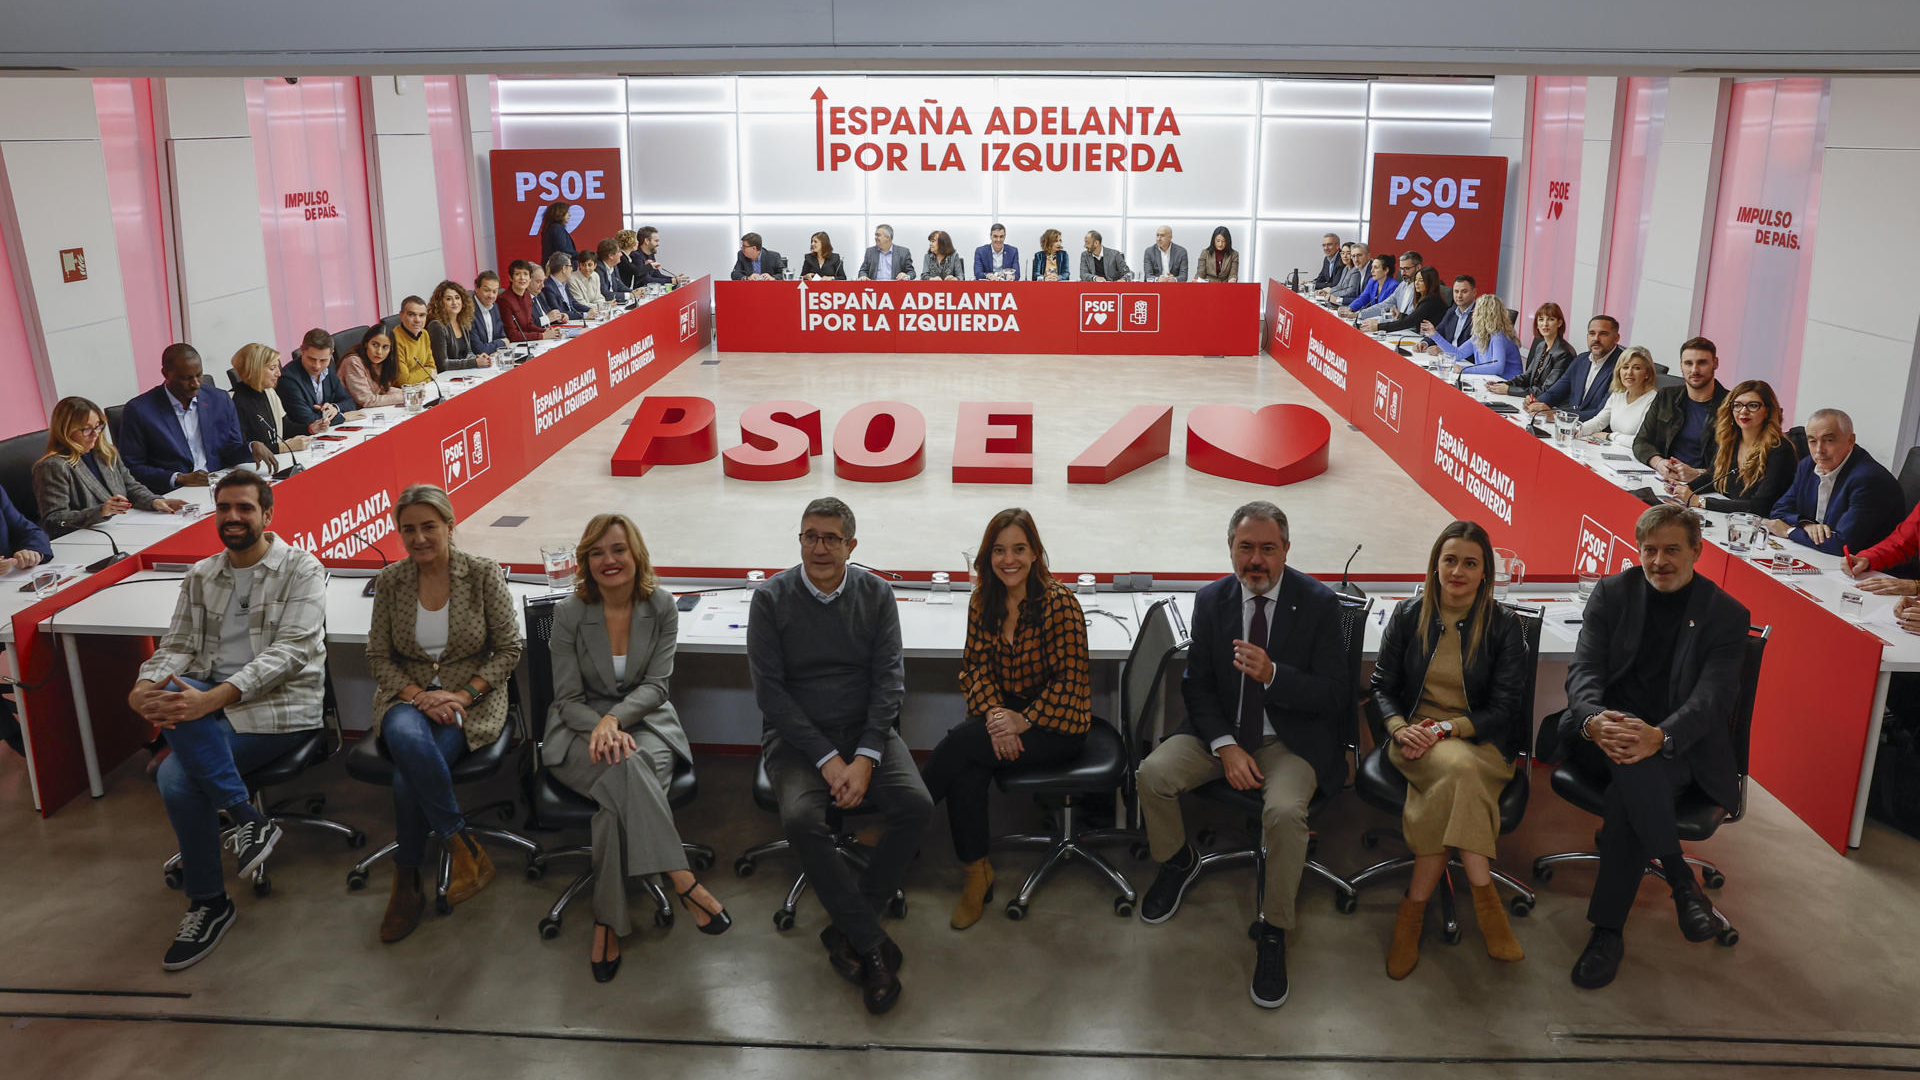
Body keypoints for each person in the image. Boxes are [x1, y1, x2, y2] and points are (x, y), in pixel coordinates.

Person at [1136, 501, 1350, 1010]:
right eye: (1245, 547)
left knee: (1281, 813)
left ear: (1286, 551)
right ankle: (1178, 862)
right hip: (1223, 734)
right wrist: (1225, 746)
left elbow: (1334, 695)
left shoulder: (1319, 603)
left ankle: (1273, 930)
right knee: (1152, 775)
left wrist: (1274, 675)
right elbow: (1197, 685)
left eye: (1267, 549)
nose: (1256, 560)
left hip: (1290, 741)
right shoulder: (1212, 599)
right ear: (1230, 549)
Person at [129, 470, 327, 970]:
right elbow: (174, 648)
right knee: (178, 705)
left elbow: (293, 652)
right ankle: (245, 827)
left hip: (281, 708)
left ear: (267, 515)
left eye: (244, 508)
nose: (233, 518)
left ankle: (211, 899)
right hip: (210, 708)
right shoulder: (201, 575)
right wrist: (143, 688)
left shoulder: (300, 569)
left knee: (178, 777)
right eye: (225, 509)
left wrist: (211, 698)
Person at [1551, 504, 1750, 990]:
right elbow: (1585, 670)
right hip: (1603, 735)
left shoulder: (1725, 615)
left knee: (1632, 787)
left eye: (1672, 550)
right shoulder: (1614, 593)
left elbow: (1713, 699)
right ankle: (1681, 878)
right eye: (1650, 549)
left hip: (1676, 746)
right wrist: (1595, 719)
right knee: (1631, 765)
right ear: (1638, 550)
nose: (1659, 560)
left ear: (1697, 552)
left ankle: (1607, 932)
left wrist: (1659, 735)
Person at [747, 497, 932, 1015]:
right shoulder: (771, 599)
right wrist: (829, 759)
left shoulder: (875, 594)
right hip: (798, 740)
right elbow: (772, 695)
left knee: (916, 806)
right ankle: (872, 944)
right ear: (799, 539)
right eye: (810, 536)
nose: (819, 548)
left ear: (852, 545)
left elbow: (889, 681)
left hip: (865, 735)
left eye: (831, 538)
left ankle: (850, 926)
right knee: (803, 818)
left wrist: (866, 756)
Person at [546, 513, 729, 983]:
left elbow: (657, 687)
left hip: (646, 724)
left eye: (619, 549)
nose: (609, 560)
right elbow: (566, 700)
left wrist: (615, 719)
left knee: (616, 797)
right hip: (577, 730)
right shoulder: (569, 613)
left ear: (636, 554)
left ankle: (607, 921)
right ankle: (682, 880)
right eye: (598, 552)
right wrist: (601, 725)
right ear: (586, 561)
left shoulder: (662, 606)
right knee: (626, 769)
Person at [367, 484, 524, 943]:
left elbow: (509, 649)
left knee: (405, 776)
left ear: (450, 527)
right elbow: (378, 656)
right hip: (406, 701)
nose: (418, 538)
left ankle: (407, 879)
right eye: (408, 529)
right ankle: (462, 842)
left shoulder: (481, 574)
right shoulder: (392, 580)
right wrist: (419, 696)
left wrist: (461, 696)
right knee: (409, 739)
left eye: (428, 527)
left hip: (468, 703)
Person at [1372, 521, 1529, 979]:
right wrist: (1401, 728)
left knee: (1460, 771)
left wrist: (1448, 728)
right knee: (1458, 775)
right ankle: (1487, 904)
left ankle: (1412, 912)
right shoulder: (1407, 615)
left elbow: (1505, 708)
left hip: (1478, 743)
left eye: (1470, 563)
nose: (1458, 570)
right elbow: (1381, 686)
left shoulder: (1503, 627)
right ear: (1435, 565)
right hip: (1414, 741)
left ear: (1485, 573)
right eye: (1450, 560)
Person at [920, 509, 1091, 930]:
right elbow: (974, 668)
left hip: (1058, 723)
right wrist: (998, 717)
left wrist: (1023, 720)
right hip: (1005, 710)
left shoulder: (1059, 603)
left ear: (1035, 553)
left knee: (962, 745)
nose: (1008, 559)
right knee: (967, 766)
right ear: (987, 555)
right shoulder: (984, 600)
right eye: (998, 550)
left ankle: (904, 820)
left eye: (1018, 548)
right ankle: (977, 874)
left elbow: (1071, 682)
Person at [120, 343, 274, 491]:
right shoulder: (140, 411)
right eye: (186, 378)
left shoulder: (219, 399)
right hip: (173, 493)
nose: (195, 384)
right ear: (166, 374)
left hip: (217, 484)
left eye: (199, 375)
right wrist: (179, 478)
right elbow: (132, 468)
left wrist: (251, 447)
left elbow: (229, 450)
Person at [35, 396, 185, 534]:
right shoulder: (53, 466)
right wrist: (100, 512)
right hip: (89, 538)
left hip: (123, 528)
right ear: (65, 431)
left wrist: (154, 501)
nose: (96, 434)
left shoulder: (106, 453)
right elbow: (53, 520)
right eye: (86, 429)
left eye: (98, 426)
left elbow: (130, 487)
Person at [1764, 408, 1905, 556]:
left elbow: (1843, 544)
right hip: (1817, 554)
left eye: (1829, 440)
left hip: (1868, 570)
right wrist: (1806, 524)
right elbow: (1779, 511)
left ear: (1851, 441)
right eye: (1812, 441)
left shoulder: (1869, 479)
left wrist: (1789, 531)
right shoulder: (1808, 465)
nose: (1819, 450)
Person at [1679, 381, 1797, 514]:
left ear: (1767, 411)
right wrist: (1684, 489)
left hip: (1762, 526)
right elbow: (1713, 476)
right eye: (1737, 405)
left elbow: (1760, 506)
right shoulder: (1731, 439)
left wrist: (1700, 502)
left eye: (1753, 406)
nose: (1743, 411)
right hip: (1731, 519)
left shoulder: (1780, 449)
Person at [1635, 337, 1729, 483]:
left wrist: (1697, 473)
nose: (1694, 370)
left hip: (1705, 487)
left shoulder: (1733, 406)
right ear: (1681, 366)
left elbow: (1737, 465)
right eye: (1688, 363)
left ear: (1715, 363)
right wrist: (1659, 463)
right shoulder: (1666, 396)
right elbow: (1641, 441)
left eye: (1702, 363)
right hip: (1663, 479)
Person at [1527, 315, 1622, 422]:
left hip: (1596, 430)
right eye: (1592, 333)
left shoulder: (1623, 367)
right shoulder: (1582, 359)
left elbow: (1601, 413)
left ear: (1616, 338)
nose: (1596, 339)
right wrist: (1536, 403)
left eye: (1603, 334)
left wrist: (1558, 415)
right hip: (1568, 426)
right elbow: (1555, 392)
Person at [227, 343, 312, 458]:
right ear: (255, 370)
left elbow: (285, 427)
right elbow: (242, 450)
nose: (279, 373)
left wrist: (310, 428)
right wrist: (285, 447)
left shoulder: (269, 392)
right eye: (273, 368)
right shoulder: (233, 401)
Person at [277, 328, 361, 438]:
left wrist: (335, 408)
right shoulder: (288, 379)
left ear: (331, 354)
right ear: (302, 351)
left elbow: (349, 401)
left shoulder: (329, 367)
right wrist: (342, 417)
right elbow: (307, 420)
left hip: (328, 434)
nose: (317, 366)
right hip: (303, 439)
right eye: (311, 359)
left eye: (323, 360)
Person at [1488, 302, 1576, 398]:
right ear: (1537, 325)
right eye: (1541, 320)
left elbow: (1547, 391)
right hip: (1532, 399)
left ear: (1559, 323)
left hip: (1551, 405)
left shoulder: (1563, 353)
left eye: (1551, 319)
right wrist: (1504, 384)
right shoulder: (1541, 346)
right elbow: (1527, 376)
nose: (1545, 324)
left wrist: (1509, 390)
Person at [1577, 346, 1660, 447]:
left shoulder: (1654, 400)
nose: (1629, 372)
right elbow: (1599, 421)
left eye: (1637, 368)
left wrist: (1610, 436)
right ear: (1619, 371)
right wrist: (1577, 430)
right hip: (1613, 451)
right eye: (1625, 367)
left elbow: (1640, 441)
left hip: (1635, 457)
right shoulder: (1618, 393)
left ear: (1647, 373)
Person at [1434, 295, 1522, 379]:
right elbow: (1458, 354)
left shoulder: (1498, 337)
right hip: (1491, 381)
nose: (1473, 313)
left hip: (1507, 385)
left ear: (1483, 315)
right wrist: (1434, 335)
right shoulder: (1480, 335)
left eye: (1476, 310)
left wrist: (1464, 369)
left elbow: (1497, 368)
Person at [426, 280, 490, 373]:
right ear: (440, 302)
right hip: (446, 378)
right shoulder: (436, 326)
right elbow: (442, 364)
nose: (454, 302)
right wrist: (474, 362)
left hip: (463, 374)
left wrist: (479, 358)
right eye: (448, 299)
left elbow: (468, 352)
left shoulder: (462, 320)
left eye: (457, 298)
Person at [1362, 266, 1447, 335]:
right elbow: (1414, 318)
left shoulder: (1431, 300)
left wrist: (1378, 327)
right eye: (1416, 279)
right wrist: (1400, 316)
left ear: (1430, 282)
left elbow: (1409, 322)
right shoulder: (1425, 297)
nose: (1416, 283)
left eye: (1420, 280)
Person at [338, 325, 406, 409]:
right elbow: (367, 400)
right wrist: (403, 397)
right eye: (375, 345)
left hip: (368, 411)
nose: (379, 352)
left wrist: (409, 392)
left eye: (385, 347)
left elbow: (382, 390)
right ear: (366, 343)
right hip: (351, 413)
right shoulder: (353, 362)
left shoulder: (382, 361)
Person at [498, 260, 561, 342]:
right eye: (517, 274)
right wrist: (542, 335)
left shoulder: (527, 296)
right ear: (510, 277)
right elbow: (512, 335)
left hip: (528, 341)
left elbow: (529, 325)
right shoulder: (504, 300)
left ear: (530, 278)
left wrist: (545, 331)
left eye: (525, 274)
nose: (522, 278)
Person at [1352, 251, 1423, 321]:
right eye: (1401, 269)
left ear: (1418, 268)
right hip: (1399, 326)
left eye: (1406, 269)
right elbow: (1385, 304)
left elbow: (1412, 316)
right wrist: (1359, 314)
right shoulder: (1402, 285)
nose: (1402, 273)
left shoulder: (1422, 288)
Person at [388, 297, 438, 388]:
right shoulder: (394, 339)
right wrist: (428, 373)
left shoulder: (424, 334)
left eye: (422, 315)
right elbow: (404, 382)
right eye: (411, 315)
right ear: (401, 315)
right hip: (401, 396)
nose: (417, 320)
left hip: (422, 389)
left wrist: (423, 380)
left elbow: (433, 368)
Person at [1421, 275, 1478, 355]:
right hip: (1449, 359)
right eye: (1456, 291)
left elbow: (1472, 348)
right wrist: (1425, 343)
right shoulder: (1452, 311)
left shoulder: (1480, 315)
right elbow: (1439, 331)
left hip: (1467, 361)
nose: (1459, 296)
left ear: (1474, 292)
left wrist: (1444, 349)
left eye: (1464, 291)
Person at [466, 271, 513, 358]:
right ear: (476, 287)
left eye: (495, 291)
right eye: (486, 290)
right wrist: (500, 344)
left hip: (493, 359)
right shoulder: (468, 311)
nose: (491, 295)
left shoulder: (494, 306)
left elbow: (502, 336)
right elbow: (478, 350)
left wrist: (496, 350)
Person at [542, 254, 591, 322]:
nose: (572, 269)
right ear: (564, 269)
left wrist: (590, 310)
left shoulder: (564, 284)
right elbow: (560, 312)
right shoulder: (548, 287)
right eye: (570, 266)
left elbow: (573, 303)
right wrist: (585, 315)